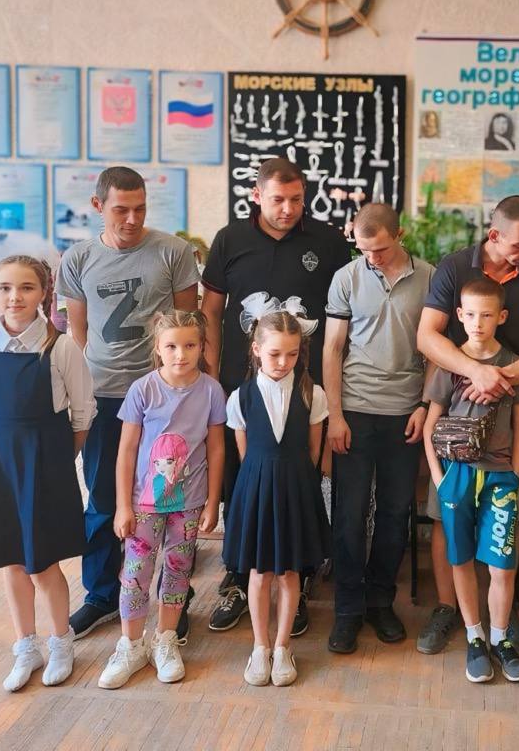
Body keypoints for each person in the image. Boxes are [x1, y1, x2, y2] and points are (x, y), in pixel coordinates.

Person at [201, 157, 350, 636]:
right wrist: (211, 373)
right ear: (257, 196)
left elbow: (343, 314)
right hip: (243, 383)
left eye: (296, 200)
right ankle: (238, 574)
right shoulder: (230, 240)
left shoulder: (328, 241)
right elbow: (211, 310)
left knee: (299, 481)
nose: (288, 209)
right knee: (241, 479)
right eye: (278, 200)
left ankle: (296, 578)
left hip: (305, 386)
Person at [415, 195, 519, 658]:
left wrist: (501, 377)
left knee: (505, 521)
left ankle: (503, 617)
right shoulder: (454, 267)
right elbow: (427, 336)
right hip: (455, 422)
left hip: (509, 415)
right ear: (494, 234)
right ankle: (449, 609)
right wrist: (472, 371)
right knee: (446, 518)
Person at [57, 167, 200, 640]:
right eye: (122, 209)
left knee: (168, 500)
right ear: (98, 206)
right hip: (104, 395)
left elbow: (186, 325)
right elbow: (78, 334)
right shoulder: (78, 259)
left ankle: (172, 598)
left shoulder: (174, 252)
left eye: (140, 208)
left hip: (162, 399)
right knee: (103, 499)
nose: (133, 219)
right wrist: (81, 392)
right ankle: (101, 595)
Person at [0, 256, 96, 692]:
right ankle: (25, 646)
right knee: (12, 560)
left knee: (43, 563)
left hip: (46, 464)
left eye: (26, 288)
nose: (14, 297)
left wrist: (58, 461)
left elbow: (83, 413)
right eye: (5, 288)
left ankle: (61, 641)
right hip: (0, 462)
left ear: (43, 294)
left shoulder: (61, 348)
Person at [324, 204, 433, 654]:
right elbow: (333, 348)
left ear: (400, 234)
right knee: (349, 514)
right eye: (363, 250)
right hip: (354, 409)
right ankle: (348, 609)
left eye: (381, 249)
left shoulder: (430, 278)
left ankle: (380, 602)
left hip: (405, 412)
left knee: (394, 512)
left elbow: (434, 349)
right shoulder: (346, 277)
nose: (372, 258)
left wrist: (425, 405)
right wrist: (334, 414)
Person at [97, 311, 226, 689]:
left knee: (178, 571)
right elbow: (126, 451)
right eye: (171, 346)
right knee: (135, 573)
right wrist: (123, 505)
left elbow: (216, 450)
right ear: (157, 347)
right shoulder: (142, 390)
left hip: (188, 504)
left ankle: (165, 640)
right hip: (143, 505)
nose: (180, 354)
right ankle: (130, 645)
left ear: (202, 347)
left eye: (189, 345)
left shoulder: (212, 391)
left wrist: (212, 502)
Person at [422, 277, 519, 684]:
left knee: (502, 564)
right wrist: (440, 481)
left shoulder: (514, 365)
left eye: (487, 315)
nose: (478, 323)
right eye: (470, 315)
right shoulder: (450, 364)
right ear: (459, 315)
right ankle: (474, 637)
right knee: (462, 559)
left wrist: (514, 474)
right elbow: (429, 426)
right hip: (457, 478)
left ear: (501, 316)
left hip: (500, 479)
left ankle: (501, 639)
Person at [222, 310, 330, 688]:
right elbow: (244, 451)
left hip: (295, 488)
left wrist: (295, 479)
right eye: (274, 354)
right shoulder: (240, 397)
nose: (284, 362)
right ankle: (260, 646)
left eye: (292, 354)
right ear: (256, 350)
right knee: (259, 572)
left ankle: (283, 647)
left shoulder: (312, 393)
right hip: (256, 489)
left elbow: (314, 450)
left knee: (289, 572)